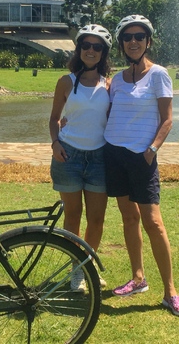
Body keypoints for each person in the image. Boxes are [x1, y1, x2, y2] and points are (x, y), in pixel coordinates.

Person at [104, 15, 179, 318]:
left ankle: (170, 292)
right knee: (129, 218)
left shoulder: (159, 75)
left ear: (148, 41)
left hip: (142, 157)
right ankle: (138, 278)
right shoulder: (116, 79)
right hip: (114, 154)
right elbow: (107, 111)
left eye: (139, 37)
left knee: (153, 222)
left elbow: (167, 119)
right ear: (121, 44)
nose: (133, 42)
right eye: (127, 37)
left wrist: (151, 150)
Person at [49, 24, 112, 291]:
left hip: (99, 158)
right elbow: (54, 119)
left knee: (96, 219)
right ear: (79, 49)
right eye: (86, 45)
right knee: (73, 217)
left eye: (97, 47)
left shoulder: (109, 85)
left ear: (103, 52)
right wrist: (54, 143)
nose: (91, 50)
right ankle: (75, 271)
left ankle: (85, 266)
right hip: (69, 156)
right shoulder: (66, 82)